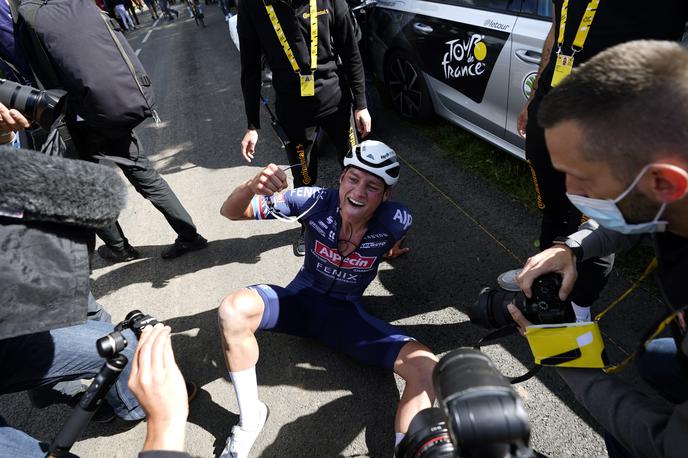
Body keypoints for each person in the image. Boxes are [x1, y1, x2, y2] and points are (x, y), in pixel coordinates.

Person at [508, 40, 688, 457]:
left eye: (583, 180)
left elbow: (665, 444)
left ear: (665, 182)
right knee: (655, 358)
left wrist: (565, 358)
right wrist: (573, 247)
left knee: (622, 428)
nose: (571, 195)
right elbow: (639, 212)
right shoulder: (669, 188)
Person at [217, 140, 437, 458]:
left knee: (427, 367)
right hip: (298, 303)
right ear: (341, 179)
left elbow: (392, 238)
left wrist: (391, 251)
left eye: (372, 186)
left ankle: (410, 452)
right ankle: (250, 419)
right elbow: (230, 212)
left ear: (386, 196)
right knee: (232, 311)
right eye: (352, 179)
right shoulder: (311, 201)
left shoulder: (396, 218)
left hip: (346, 318)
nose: (358, 192)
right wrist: (252, 185)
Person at [498, 0, 688, 290]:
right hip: (551, 110)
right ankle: (546, 279)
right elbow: (557, 31)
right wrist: (535, 96)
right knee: (556, 208)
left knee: (598, 215)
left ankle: (579, 308)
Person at [2, 0, 206, 262]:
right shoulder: (75, 3)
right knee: (144, 172)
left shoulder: (26, 15)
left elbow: (32, 67)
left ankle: (119, 248)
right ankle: (190, 236)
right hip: (110, 103)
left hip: (77, 116)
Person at [237, 0, 372, 255]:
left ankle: (357, 225)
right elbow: (250, 68)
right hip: (294, 111)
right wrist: (252, 125)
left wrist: (361, 104)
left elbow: (350, 49)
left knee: (355, 170)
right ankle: (309, 227)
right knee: (305, 177)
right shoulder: (251, 6)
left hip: (336, 102)